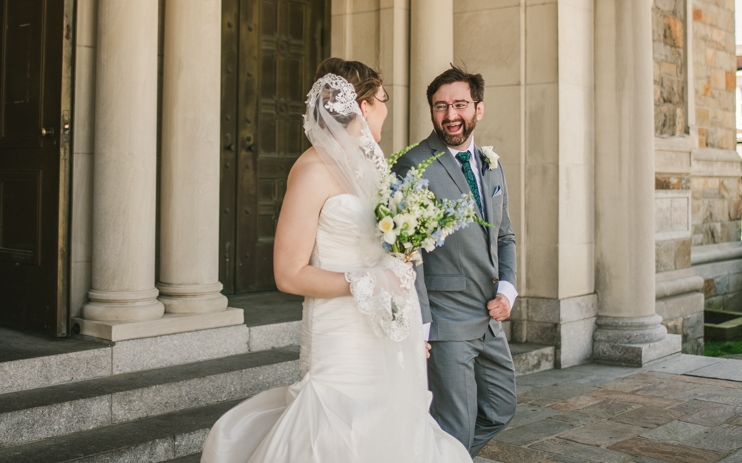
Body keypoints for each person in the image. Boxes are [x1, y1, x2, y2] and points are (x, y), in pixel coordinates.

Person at [200, 58, 471, 463]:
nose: (386, 108)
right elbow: (288, 274)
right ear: (363, 107)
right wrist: (369, 282)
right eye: (382, 99)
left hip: (384, 332)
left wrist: (403, 312)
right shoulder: (311, 170)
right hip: (341, 340)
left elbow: (386, 255)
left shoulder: (373, 169)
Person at [393, 65, 518, 457]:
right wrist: (422, 326)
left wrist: (508, 289)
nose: (450, 116)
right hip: (446, 323)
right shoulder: (415, 164)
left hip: (490, 318)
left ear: (478, 109)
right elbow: (408, 254)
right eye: (440, 106)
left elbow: (505, 236)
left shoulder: (491, 163)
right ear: (431, 111)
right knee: (456, 427)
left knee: (501, 409)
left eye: (460, 104)